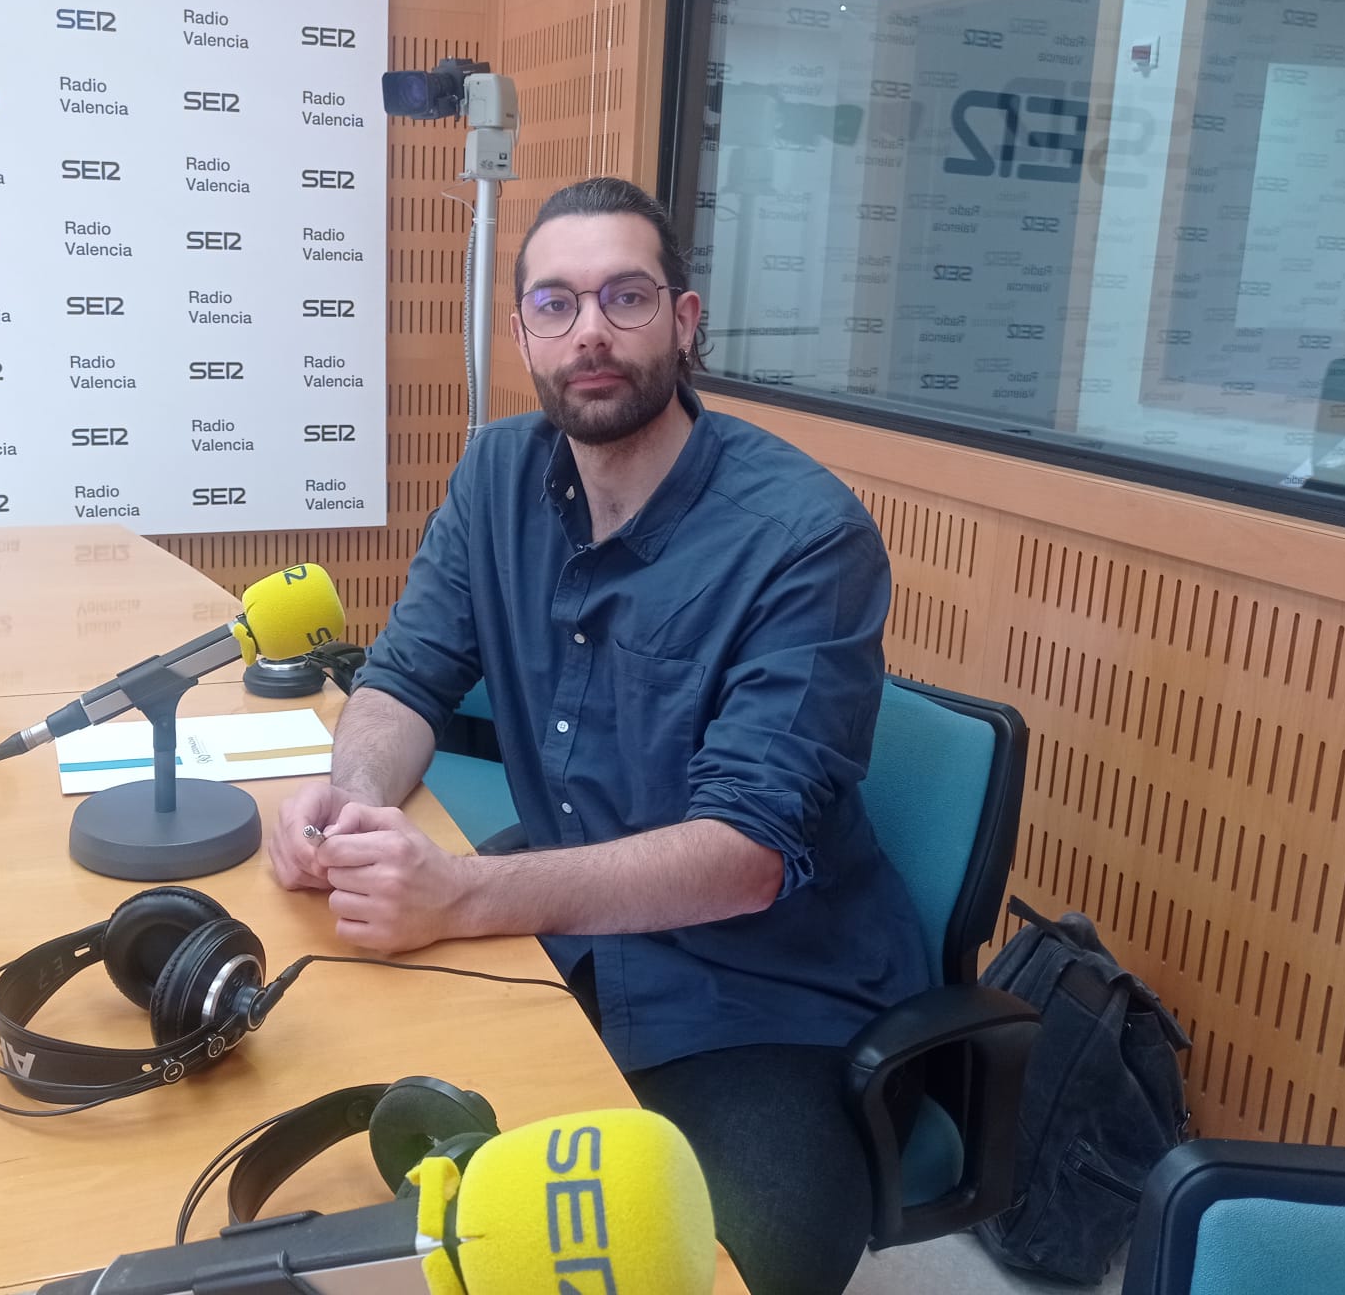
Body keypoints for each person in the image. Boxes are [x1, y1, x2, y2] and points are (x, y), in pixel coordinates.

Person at [266, 176, 931, 1295]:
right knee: (342, 1191)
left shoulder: (803, 536)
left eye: (624, 296)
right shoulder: (494, 475)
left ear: (683, 318)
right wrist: (359, 800)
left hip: (760, 997)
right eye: (555, 303)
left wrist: (464, 895)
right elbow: (405, 675)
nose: (590, 333)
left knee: (711, 1269)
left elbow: (745, 849)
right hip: (562, 939)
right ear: (521, 329)